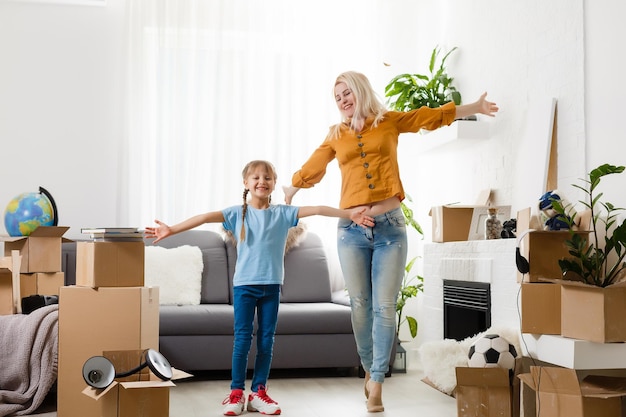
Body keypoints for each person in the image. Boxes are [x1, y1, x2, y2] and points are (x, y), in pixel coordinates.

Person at [284, 71, 499, 413]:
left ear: (360, 91)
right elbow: (315, 165)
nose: (342, 100)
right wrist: (292, 188)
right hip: (350, 230)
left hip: (390, 228)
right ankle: (369, 369)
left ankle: (377, 385)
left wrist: (472, 106)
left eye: (346, 92)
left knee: (384, 308)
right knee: (359, 306)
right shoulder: (335, 135)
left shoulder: (388, 122)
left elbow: (425, 117)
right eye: (336, 96)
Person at [145, 160, 374, 417]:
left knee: (266, 341)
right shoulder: (235, 214)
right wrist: (171, 229)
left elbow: (319, 208)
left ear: (274, 183)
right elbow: (203, 217)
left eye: (267, 177)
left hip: (272, 288)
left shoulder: (283, 213)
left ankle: (258, 392)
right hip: (245, 287)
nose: (261, 181)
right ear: (246, 183)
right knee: (242, 341)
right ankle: (236, 394)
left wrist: (349, 214)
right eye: (255, 177)